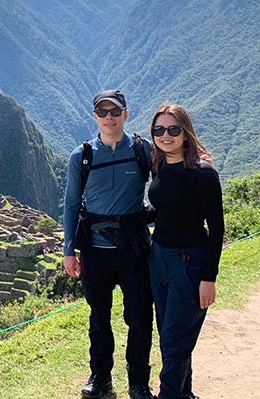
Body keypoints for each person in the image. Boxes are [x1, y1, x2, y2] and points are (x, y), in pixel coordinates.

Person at [63, 90, 156, 399]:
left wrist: (199, 163)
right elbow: (72, 203)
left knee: (140, 315)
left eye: (115, 111)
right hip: (95, 250)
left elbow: (171, 176)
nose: (109, 117)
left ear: (126, 114)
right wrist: (68, 250)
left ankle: (138, 382)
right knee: (99, 316)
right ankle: (100, 377)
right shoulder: (83, 156)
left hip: (134, 249)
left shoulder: (143, 150)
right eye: (103, 112)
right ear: (95, 117)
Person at [147, 104, 224, 399]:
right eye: (159, 130)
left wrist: (209, 278)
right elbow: (164, 208)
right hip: (159, 259)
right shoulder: (161, 165)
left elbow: (216, 229)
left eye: (173, 129)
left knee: (174, 343)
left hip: (189, 262)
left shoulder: (203, 174)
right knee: (173, 336)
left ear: (185, 132)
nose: (165, 135)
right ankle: (185, 393)